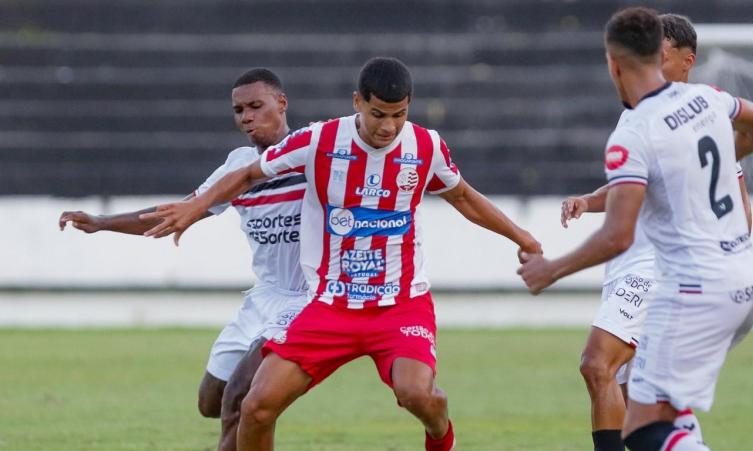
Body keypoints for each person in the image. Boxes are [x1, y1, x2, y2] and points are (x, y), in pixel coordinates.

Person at [140, 57, 541, 451]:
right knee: (257, 407)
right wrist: (196, 207)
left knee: (419, 395)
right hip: (331, 306)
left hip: (399, 304)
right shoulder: (320, 141)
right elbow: (248, 172)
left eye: (399, 115)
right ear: (357, 103)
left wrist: (521, 236)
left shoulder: (425, 145)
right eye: (378, 114)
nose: (388, 126)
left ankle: (440, 436)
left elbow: (463, 196)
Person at [518, 7, 753, 450]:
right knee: (647, 405)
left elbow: (619, 235)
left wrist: (551, 269)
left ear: (613, 63)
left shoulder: (637, 128)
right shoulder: (710, 101)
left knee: (628, 410)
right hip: (742, 279)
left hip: (689, 286)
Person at [58, 68, 308, 451]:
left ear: (282, 103)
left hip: (307, 297)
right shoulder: (238, 165)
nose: (246, 117)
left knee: (239, 399)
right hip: (265, 295)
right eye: (239, 110)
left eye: (256, 106)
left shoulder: (314, 154)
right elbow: (179, 211)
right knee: (211, 400)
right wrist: (102, 223)